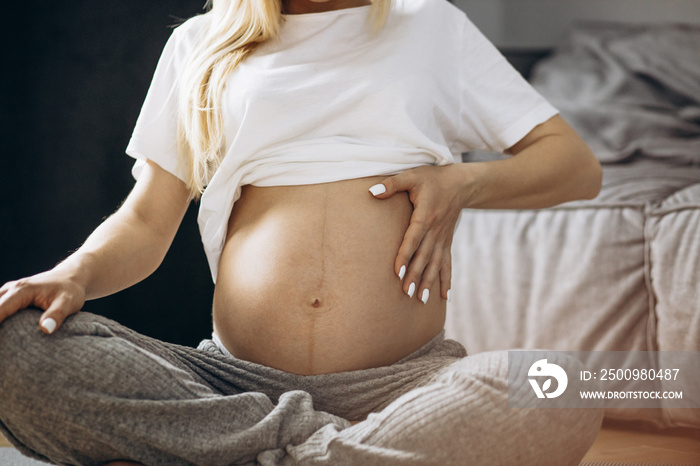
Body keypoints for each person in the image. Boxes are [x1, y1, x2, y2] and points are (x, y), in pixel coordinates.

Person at [0, 0, 604, 464]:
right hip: (228, 389)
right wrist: (70, 273)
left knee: (567, 387)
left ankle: (239, 456)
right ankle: (326, 451)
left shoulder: (430, 26)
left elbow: (574, 166)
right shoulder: (201, 45)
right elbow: (147, 219)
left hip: (406, 384)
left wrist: (461, 183)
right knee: (12, 343)